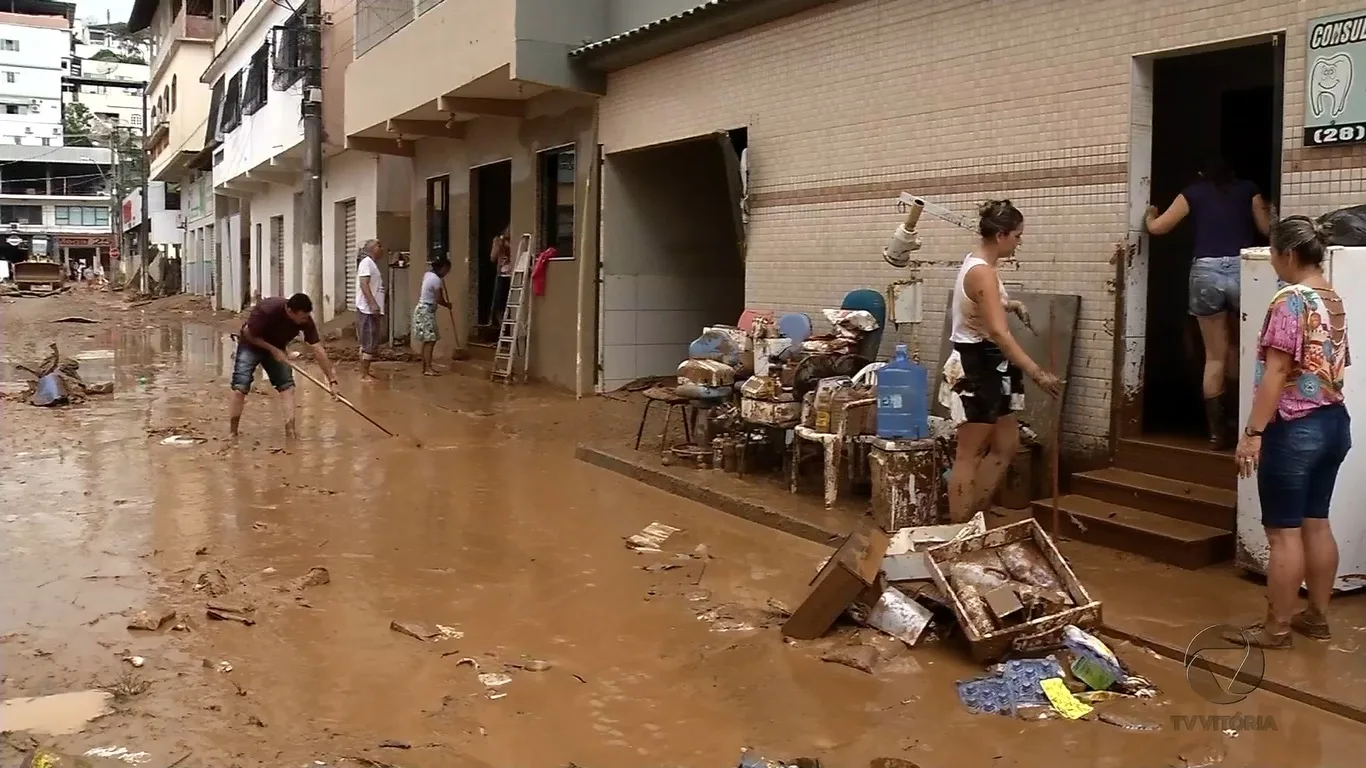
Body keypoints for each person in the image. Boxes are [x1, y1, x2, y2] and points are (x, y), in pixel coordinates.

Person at [1233, 216, 1351, 649]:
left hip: (1295, 427)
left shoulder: (1290, 300)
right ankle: (1317, 618)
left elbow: (1277, 372)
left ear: (1286, 254)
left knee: (1283, 533)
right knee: (1316, 523)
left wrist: (1253, 432)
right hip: (1334, 424)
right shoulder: (1332, 297)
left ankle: (1275, 630)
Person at [945, 200, 1063, 523]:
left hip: (995, 363)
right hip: (977, 363)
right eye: (1017, 236)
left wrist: (1011, 304)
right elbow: (998, 332)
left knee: (1007, 445)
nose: (1019, 242)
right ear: (1001, 236)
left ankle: (975, 516)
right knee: (969, 452)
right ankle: (959, 530)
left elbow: (986, 304)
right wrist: (1037, 373)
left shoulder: (983, 264)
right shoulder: (980, 271)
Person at [1146, 159, 1272, 449]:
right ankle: (1242, 422)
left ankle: (1217, 434)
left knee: (1214, 356)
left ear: (1203, 174)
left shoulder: (1193, 192)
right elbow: (1266, 228)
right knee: (1242, 352)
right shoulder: (1249, 189)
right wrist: (1270, 208)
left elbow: (1159, 228)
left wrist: (1150, 216)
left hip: (1205, 274)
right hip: (1244, 269)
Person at [229, 293, 339, 439]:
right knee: (240, 388)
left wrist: (332, 380)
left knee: (287, 387)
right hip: (251, 344)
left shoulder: (306, 320)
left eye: (306, 317)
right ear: (289, 311)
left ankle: (291, 432)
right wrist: (273, 350)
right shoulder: (268, 309)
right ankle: (233, 433)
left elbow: (318, 349)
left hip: (277, 348)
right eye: (301, 317)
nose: (304, 321)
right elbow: (247, 333)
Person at [413, 257, 453, 375]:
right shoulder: (436, 280)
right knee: (430, 340)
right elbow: (438, 299)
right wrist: (447, 305)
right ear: (443, 268)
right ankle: (428, 368)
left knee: (427, 340)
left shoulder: (428, 275)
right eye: (447, 270)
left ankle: (425, 367)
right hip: (426, 311)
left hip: (422, 310)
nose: (447, 273)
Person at [355, 239, 386, 381]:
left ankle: (364, 372)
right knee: (369, 341)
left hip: (370, 309)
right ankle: (364, 374)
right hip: (367, 310)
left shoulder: (371, 264)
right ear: (372, 248)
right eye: (378, 245)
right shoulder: (367, 263)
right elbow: (364, 284)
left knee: (369, 341)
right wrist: (372, 303)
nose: (381, 248)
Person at [489, 226, 512, 327]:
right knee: (499, 304)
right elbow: (493, 257)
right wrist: (499, 244)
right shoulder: (498, 240)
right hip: (502, 274)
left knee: (510, 302)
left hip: (511, 274)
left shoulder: (513, 241)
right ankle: (502, 327)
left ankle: (509, 327)